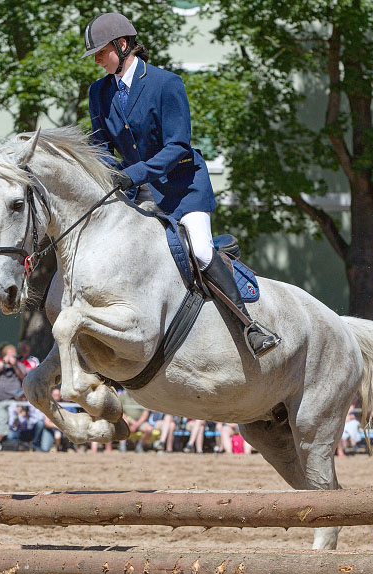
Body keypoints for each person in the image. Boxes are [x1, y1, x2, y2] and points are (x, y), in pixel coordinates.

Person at [84, 12, 279, 358]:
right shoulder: (98, 92)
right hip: (134, 192)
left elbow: (177, 146)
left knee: (201, 250)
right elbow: (100, 147)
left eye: (101, 51)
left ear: (123, 44)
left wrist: (134, 173)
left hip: (182, 187)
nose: (97, 59)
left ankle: (250, 326)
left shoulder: (165, 83)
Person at [0, 343, 28, 432]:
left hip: (14, 400)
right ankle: (2, 440)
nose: (12, 357)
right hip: (1, 399)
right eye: (10, 355)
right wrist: (4, 361)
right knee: (1, 423)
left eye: (13, 355)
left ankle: (12, 441)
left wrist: (14, 365)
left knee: (14, 423)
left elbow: (23, 376)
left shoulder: (19, 365)